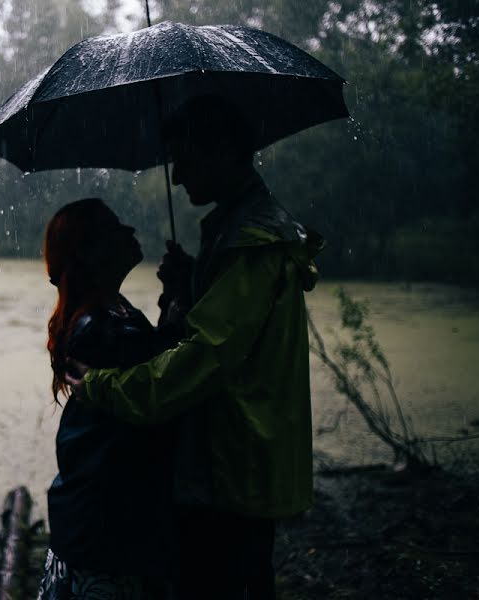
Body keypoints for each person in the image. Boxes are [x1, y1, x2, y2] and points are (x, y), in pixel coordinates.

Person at [65, 96, 325, 599]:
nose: (178, 176)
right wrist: (190, 291)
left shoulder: (253, 242)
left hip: (232, 469)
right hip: (227, 464)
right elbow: (228, 332)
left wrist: (103, 387)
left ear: (225, 151)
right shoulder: (234, 231)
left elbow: (204, 358)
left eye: (186, 158)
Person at [37, 198, 183, 600]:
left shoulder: (113, 312)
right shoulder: (98, 328)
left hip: (106, 511)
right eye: (115, 227)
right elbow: (162, 371)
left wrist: (173, 298)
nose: (130, 232)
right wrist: (181, 302)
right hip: (106, 519)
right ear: (89, 251)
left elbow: (150, 354)